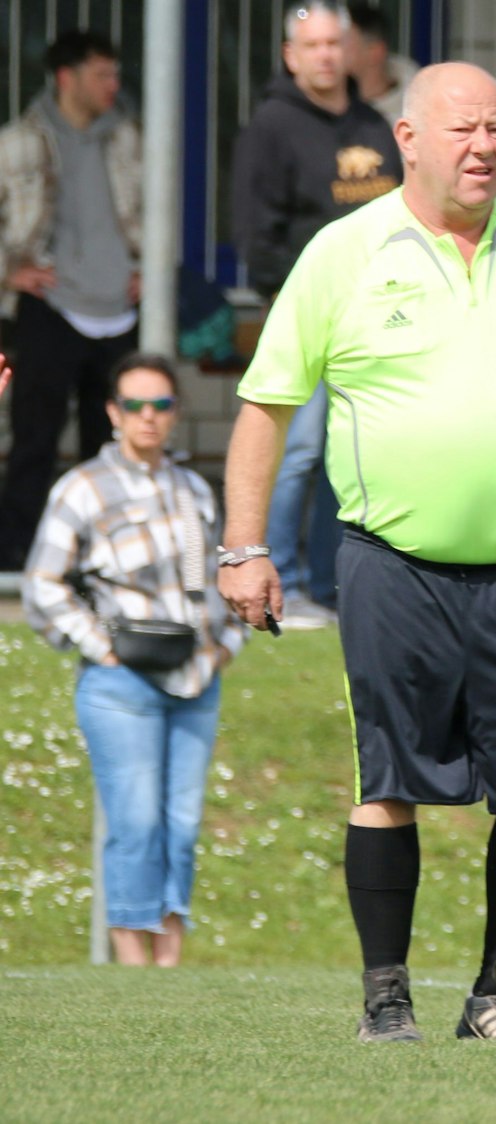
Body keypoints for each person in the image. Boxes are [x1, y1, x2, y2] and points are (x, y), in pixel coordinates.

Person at [217, 62, 496, 1043]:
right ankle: (386, 996)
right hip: (389, 555)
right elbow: (264, 409)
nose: (484, 145)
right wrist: (245, 545)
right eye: (462, 129)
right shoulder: (344, 251)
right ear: (405, 138)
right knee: (390, 777)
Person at [23, 353, 248, 966]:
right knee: (136, 822)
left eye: (162, 405)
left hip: (197, 676)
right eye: (136, 406)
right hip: (121, 683)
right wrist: (100, 648)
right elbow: (42, 583)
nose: (149, 418)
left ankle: (169, 963)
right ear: (113, 412)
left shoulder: (192, 488)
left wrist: (227, 646)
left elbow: (222, 582)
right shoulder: (83, 487)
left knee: (181, 823)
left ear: (175, 414)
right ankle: (130, 961)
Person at [231, 0, 402, 627]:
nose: (327, 55)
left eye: (335, 43)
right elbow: (254, 231)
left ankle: (332, 587)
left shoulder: (374, 125)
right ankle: (287, 582)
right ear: (290, 55)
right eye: (314, 46)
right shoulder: (273, 127)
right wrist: (283, 297)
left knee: (351, 451)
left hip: (381, 316)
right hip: (305, 315)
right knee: (298, 447)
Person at [0, 31, 142, 573]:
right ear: (67, 78)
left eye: (115, 73)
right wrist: (10, 271)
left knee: (108, 446)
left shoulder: (129, 137)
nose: (114, 84)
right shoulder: (19, 140)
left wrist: (148, 270)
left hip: (120, 311)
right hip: (51, 309)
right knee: (34, 442)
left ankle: (105, 559)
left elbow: (159, 209)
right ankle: (14, 558)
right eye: (102, 74)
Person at [344, 3, 420, 122]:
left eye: (342, 43)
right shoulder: (326, 105)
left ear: (375, 52)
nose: (329, 53)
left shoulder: (416, 115)